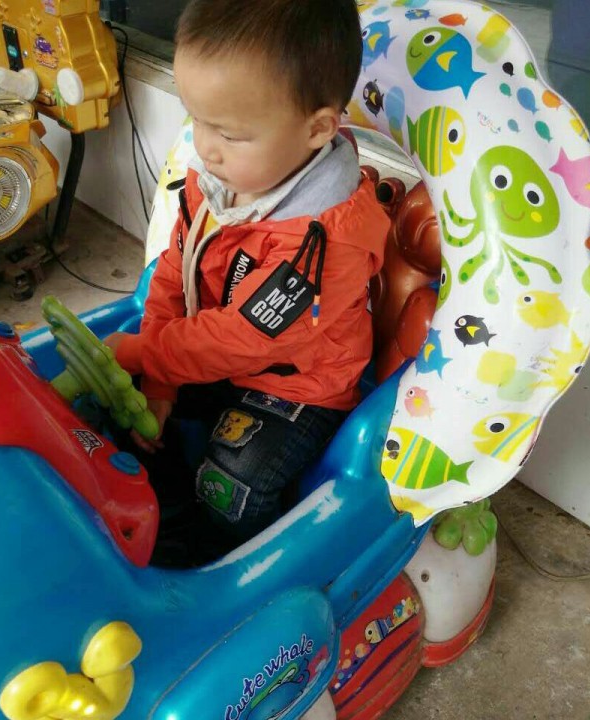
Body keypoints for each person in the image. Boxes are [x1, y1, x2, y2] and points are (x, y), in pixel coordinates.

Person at [105, 0, 390, 563]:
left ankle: (231, 563)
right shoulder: (216, 182)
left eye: (230, 134)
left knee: (231, 481)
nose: (204, 147)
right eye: (196, 119)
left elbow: (247, 338)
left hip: (298, 388)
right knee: (118, 403)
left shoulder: (326, 243)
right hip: (214, 355)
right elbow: (175, 270)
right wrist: (157, 382)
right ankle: (164, 515)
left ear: (317, 129)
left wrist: (145, 353)